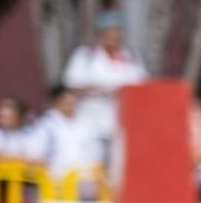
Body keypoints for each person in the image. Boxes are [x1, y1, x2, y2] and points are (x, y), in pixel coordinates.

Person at [62, 10, 147, 152]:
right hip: (90, 124)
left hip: (123, 125)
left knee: (118, 169)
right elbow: (71, 86)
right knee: (92, 167)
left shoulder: (131, 58)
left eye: (118, 32)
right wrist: (101, 90)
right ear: (101, 35)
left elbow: (144, 87)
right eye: (110, 32)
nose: (115, 37)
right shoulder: (85, 57)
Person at [32, 86, 104, 194]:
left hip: (86, 184)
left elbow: (97, 153)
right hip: (56, 184)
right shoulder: (46, 125)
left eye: (73, 102)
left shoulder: (86, 124)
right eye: (66, 102)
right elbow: (36, 155)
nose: (71, 106)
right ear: (57, 102)